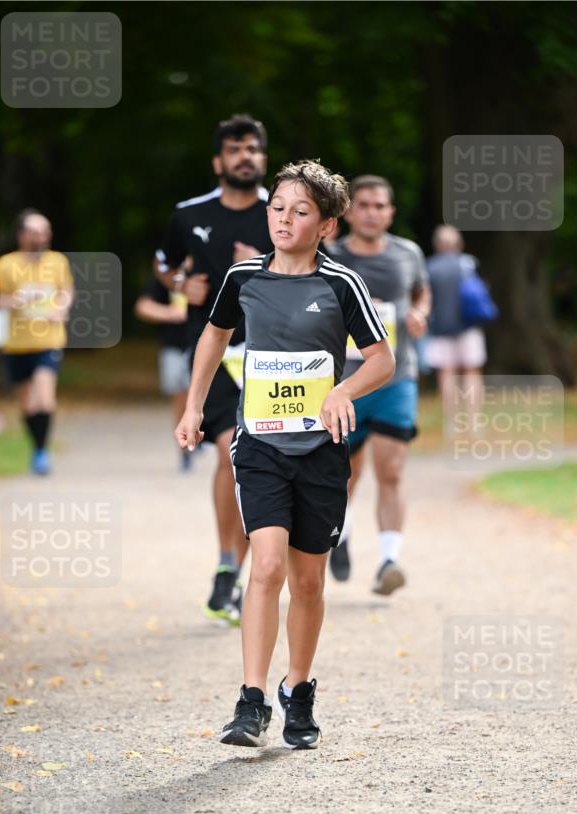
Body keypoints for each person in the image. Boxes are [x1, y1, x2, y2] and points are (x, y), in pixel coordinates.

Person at [175, 160, 395, 749]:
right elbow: (214, 335)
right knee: (267, 566)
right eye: (277, 208)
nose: (284, 219)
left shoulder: (341, 284)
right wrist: (194, 407)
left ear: (325, 225)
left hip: (320, 451)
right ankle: (252, 700)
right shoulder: (243, 277)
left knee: (309, 582)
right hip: (261, 445)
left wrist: (342, 391)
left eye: (300, 212)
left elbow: (382, 359)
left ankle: (298, 689)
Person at [154, 113, 273, 625]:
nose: (246, 156)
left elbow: (320, 272)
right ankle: (227, 563)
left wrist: (264, 262)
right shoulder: (189, 213)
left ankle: (238, 572)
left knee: (255, 461)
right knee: (231, 450)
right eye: (235, 149)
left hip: (274, 354)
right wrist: (181, 285)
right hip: (214, 350)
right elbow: (164, 264)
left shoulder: (283, 212)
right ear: (218, 160)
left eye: (253, 148)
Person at [326, 176, 430, 594]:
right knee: (343, 475)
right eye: (364, 205)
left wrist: (420, 314)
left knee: (391, 469)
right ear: (349, 211)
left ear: (391, 212)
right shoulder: (329, 255)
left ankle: (389, 560)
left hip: (395, 377)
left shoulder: (408, 253)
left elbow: (421, 292)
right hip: (344, 382)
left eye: (380, 206)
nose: (372, 213)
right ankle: (342, 534)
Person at [0, 210, 73, 474]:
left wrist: (61, 308)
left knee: (44, 398)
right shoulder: (5, 264)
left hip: (48, 341)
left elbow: (66, 290)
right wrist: (12, 301)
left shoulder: (57, 262)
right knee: (27, 403)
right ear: (22, 235)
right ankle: (37, 448)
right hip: (16, 343)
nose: (43, 237)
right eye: (36, 232)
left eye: (46, 231)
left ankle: (42, 452)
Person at [134, 259, 195, 471]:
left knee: (200, 394)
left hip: (203, 345)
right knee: (181, 396)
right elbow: (143, 307)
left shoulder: (208, 271)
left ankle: (200, 434)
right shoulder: (167, 277)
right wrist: (170, 313)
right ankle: (185, 446)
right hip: (174, 346)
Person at [425, 225, 486, 436]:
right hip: (469, 326)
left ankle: (452, 423)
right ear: (459, 244)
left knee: (447, 374)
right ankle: (474, 421)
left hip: (440, 329)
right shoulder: (468, 264)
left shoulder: (429, 268)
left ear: (437, 245)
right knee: (472, 372)